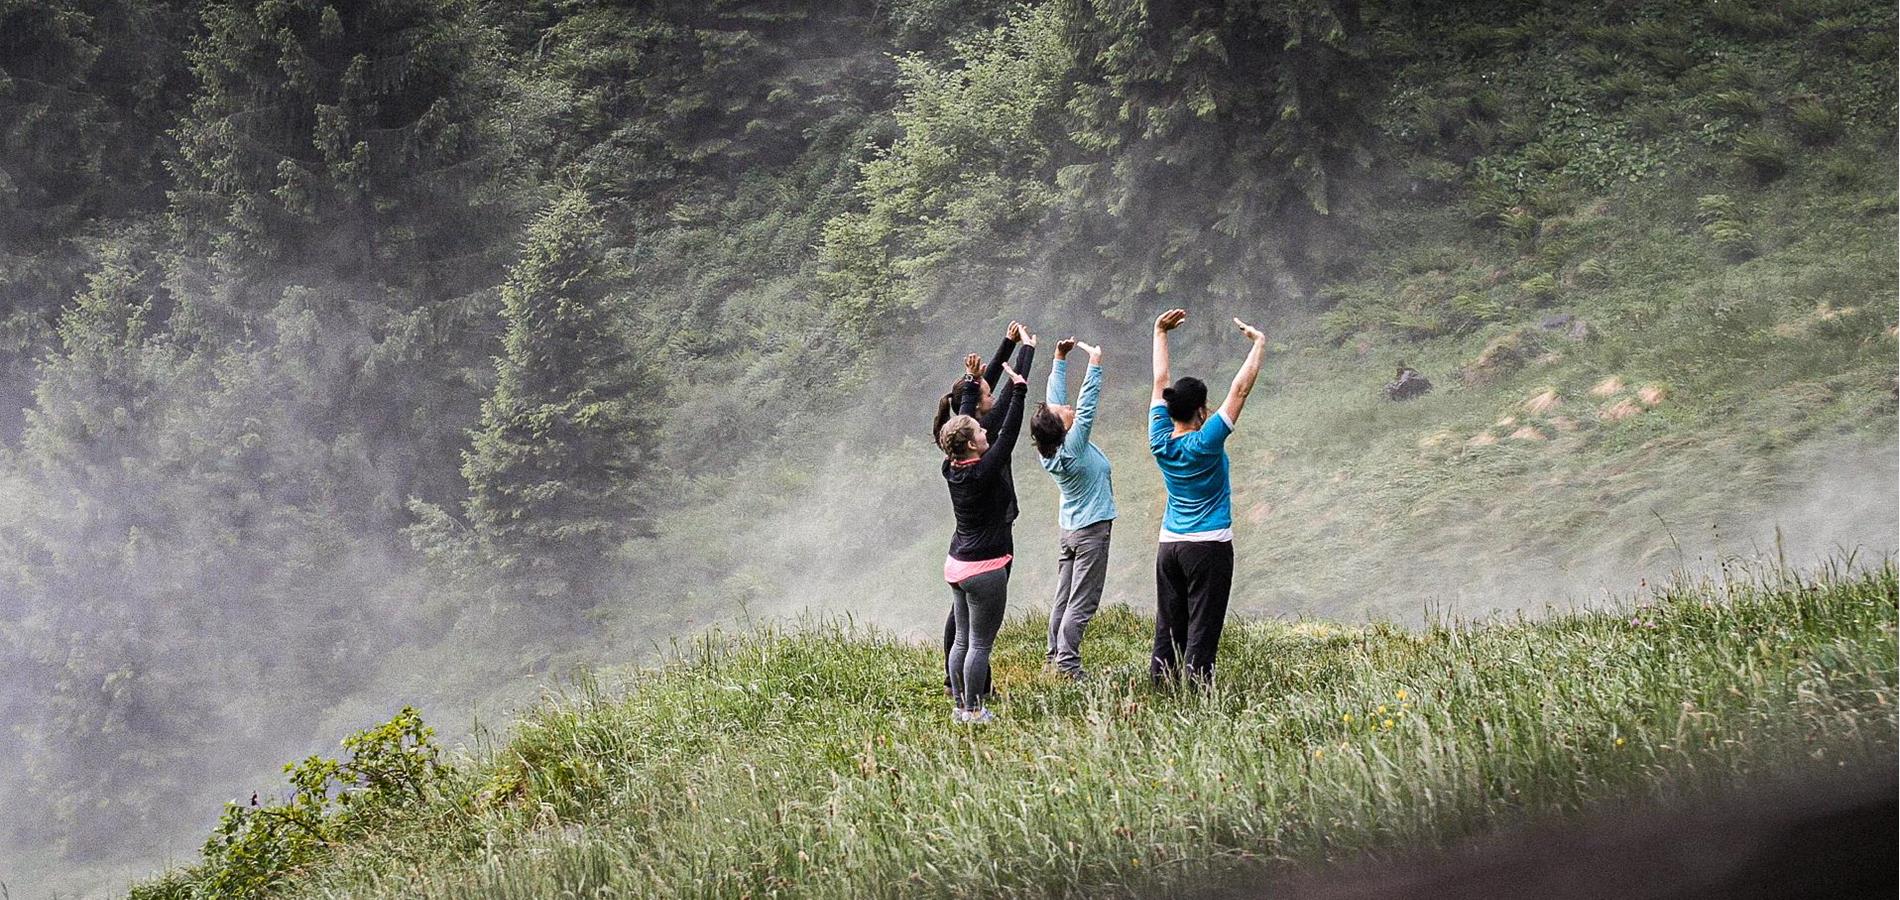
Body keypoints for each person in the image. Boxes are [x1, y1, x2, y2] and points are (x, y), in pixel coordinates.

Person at [1148, 308, 1266, 685]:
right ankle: (1199, 693)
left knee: (1169, 624)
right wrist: (1259, 343)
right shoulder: (1207, 441)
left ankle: (1161, 686)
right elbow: (1240, 389)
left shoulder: (1159, 440)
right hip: (1209, 546)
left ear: (1169, 411)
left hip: (1170, 546)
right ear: (1201, 411)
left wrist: (1160, 333)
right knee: (1203, 626)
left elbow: (1159, 381)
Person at [940, 331, 1036, 723]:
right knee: (979, 644)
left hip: (956, 564)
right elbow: (1009, 433)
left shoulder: (952, 467)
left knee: (962, 639)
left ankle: (960, 706)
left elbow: (965, 420)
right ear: (975, 446)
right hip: (984, 569)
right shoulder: (983, 470)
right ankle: (974, 710)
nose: (985, 432)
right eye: (982, 434)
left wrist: (969, 383)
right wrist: (1019, 390)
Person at [1029, 337, 1115, 680]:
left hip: (1070, 529)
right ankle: (1068, 665)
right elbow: (1088, 404)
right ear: (1064, 427)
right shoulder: (1074, 447)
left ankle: (1053, 657)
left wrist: (1059, 358)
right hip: (1092, 530)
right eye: (1063, 412)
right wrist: (1094, 364)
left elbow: (1055, 402)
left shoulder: (1050, 449)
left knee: (1063, 597)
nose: (1067, 408)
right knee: (1083, 600)